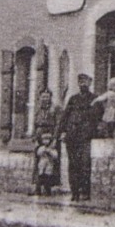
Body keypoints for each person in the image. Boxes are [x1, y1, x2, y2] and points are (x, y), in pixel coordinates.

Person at [57, 73, 102, 203]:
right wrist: (61, 132)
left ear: (90, 82)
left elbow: (98, 117)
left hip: (86, 137)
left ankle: (85, 192)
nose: (82, 84)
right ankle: (75, 193)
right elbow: (65, 117)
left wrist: (94, 130)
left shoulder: (95, 99)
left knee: (85, 165)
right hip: (72, 137)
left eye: (85, 81)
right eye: (80, 81)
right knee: (73, 165)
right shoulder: (73, 99)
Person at [31, 128, 61, 196]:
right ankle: (38, 190)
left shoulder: (51, 149)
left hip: (49, 167)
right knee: (39, 178)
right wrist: (43, 150)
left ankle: (47, 191)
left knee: (47, 179)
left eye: (47, 140)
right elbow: (38, 153)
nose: (46, 142)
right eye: (44, 140)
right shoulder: (42, 148)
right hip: (41, 166)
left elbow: (55, 155)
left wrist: (50, 151)